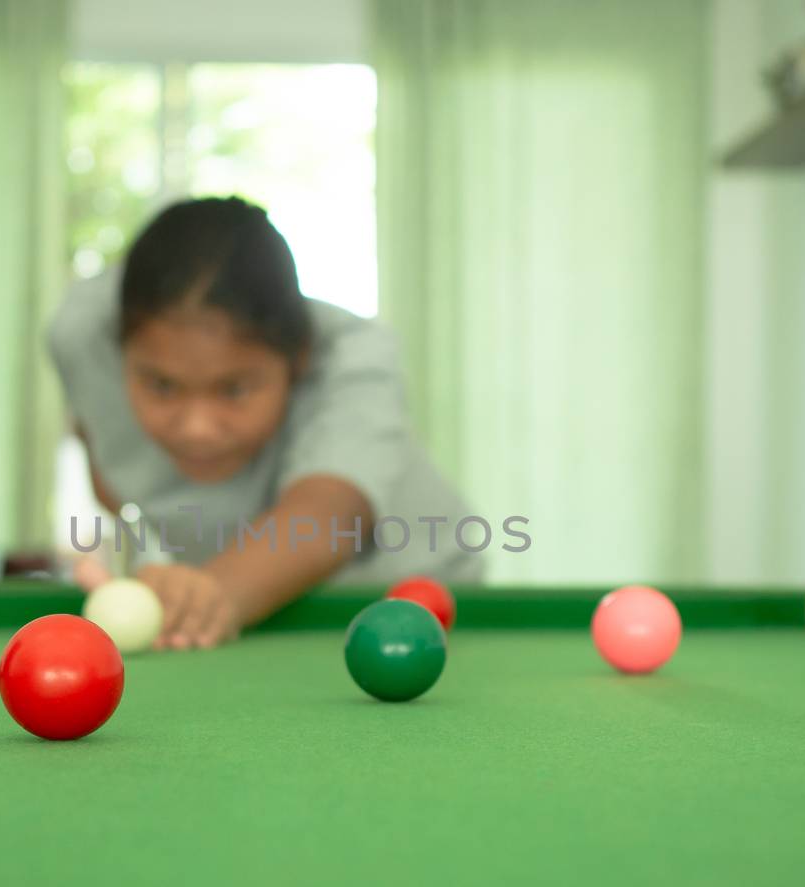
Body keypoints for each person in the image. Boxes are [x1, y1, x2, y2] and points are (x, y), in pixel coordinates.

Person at [49, 196, 481, 650]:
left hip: (408, 590)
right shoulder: (82, 336)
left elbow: (326, 518)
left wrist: (204, 597)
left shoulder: (356, 357)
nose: (197, 427)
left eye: (234, 390)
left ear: (298, 359)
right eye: (161, 385)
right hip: (228, 598)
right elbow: (100, 440)